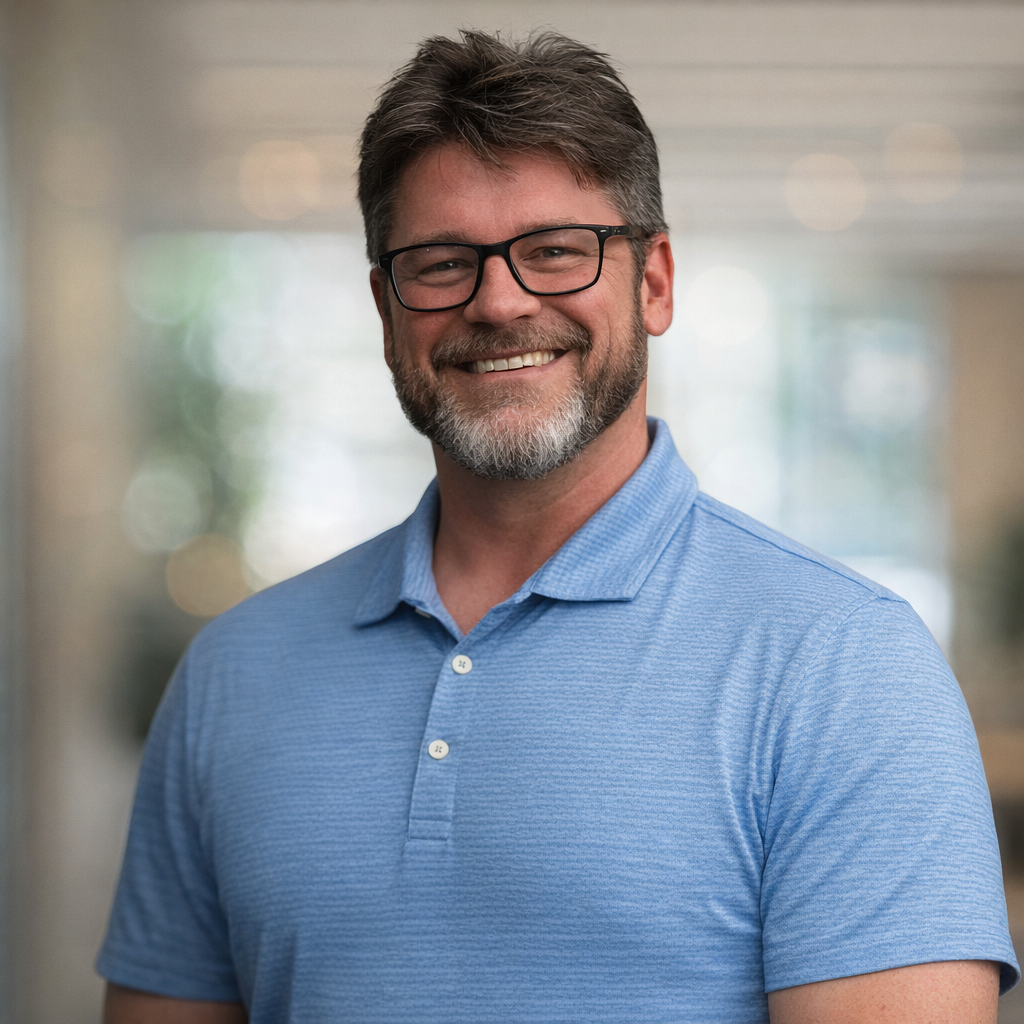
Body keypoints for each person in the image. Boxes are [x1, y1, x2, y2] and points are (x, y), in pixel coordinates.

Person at [98, 30, 1017, 1024]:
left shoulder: (841, 662)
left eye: (554, 251)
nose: (499, 299)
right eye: (442, 261)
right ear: (384, 306)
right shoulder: (235, 671)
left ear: (653, 281)